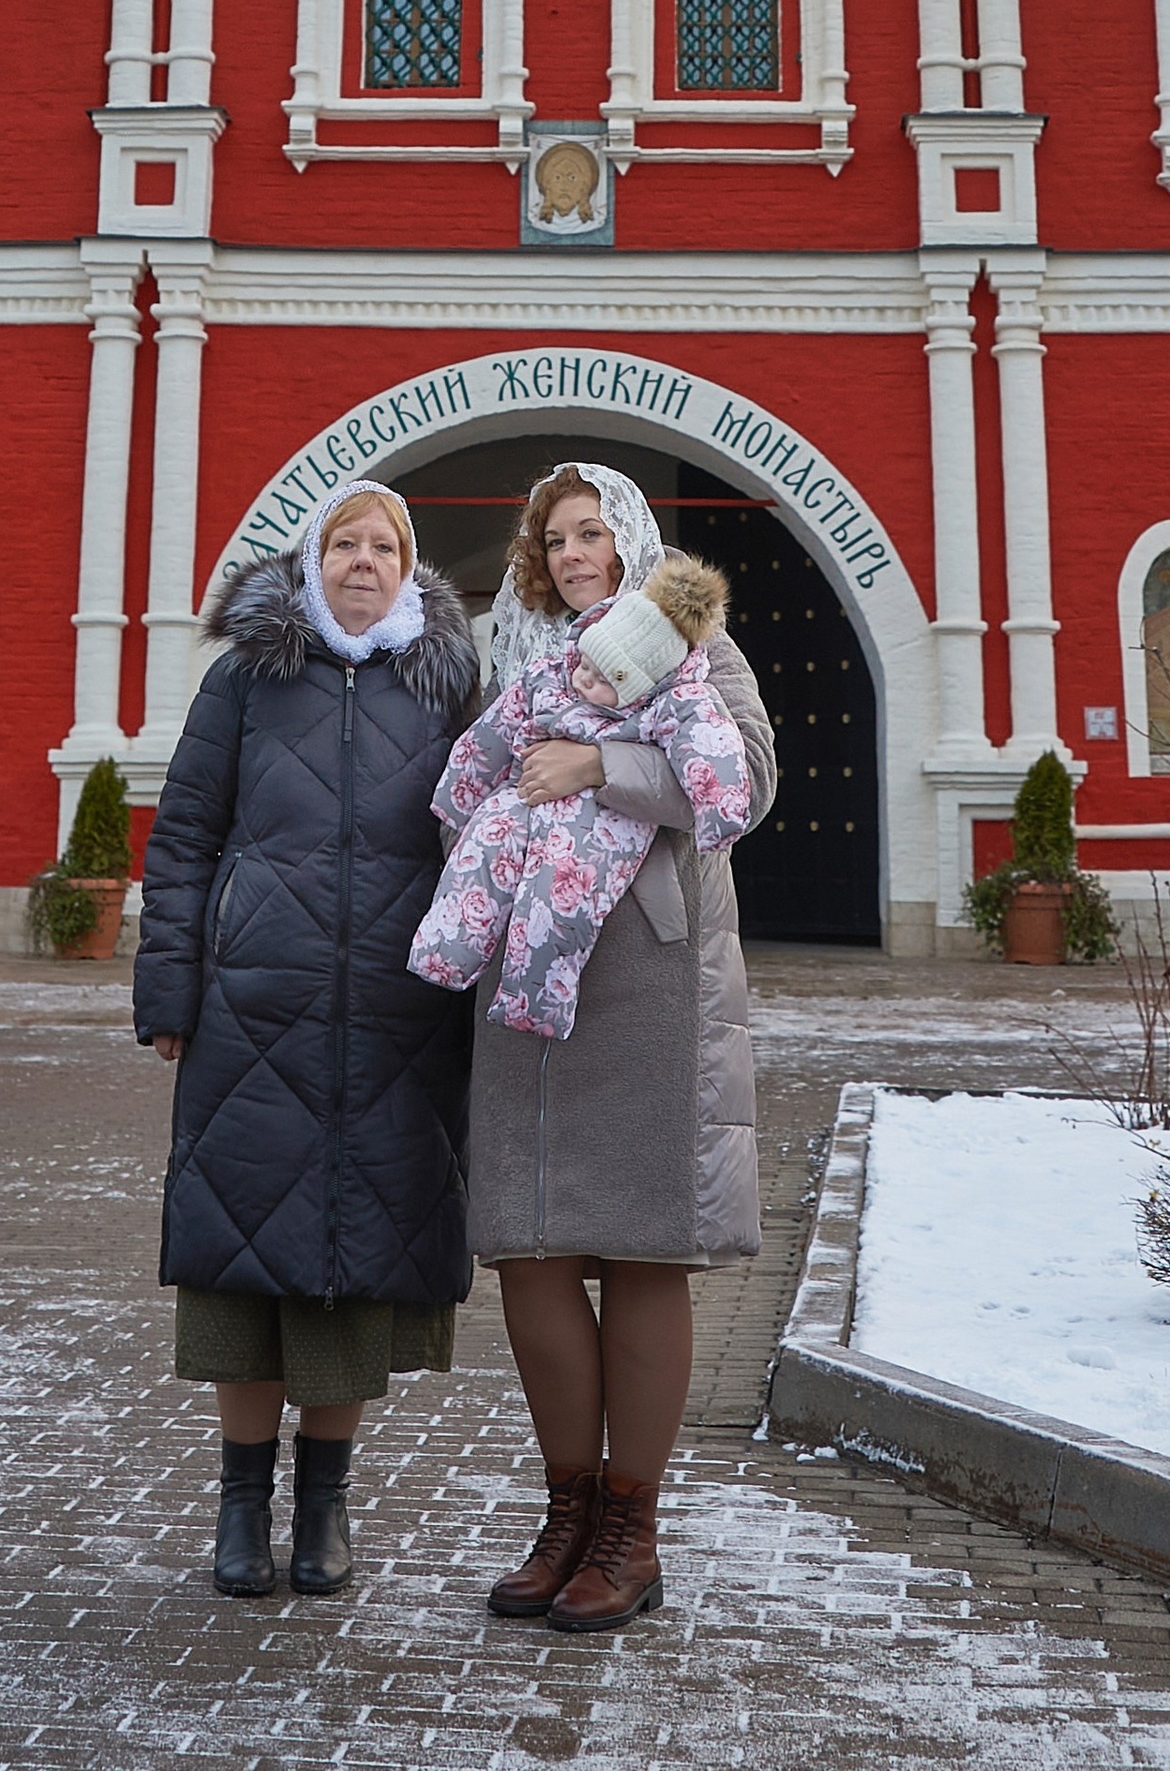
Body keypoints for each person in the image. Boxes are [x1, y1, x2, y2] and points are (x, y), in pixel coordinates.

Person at [132, 482, 481, 1600]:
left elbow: (485, 843)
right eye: (345, 542)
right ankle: (241, 1507)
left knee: (356, 1267)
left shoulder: (447, 689)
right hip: (255, 1007)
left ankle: (324, 1505)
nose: (363, 560)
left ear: (410, 565)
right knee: (244, 1264)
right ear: (312, 558)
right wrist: (171, 991)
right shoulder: (245, 678)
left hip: (398, 1016)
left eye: (384, 545)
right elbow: (183, 836)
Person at [467, 463, 777, 1636]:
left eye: (593, 531)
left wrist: (601, 763)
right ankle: (566, 1514)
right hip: (525, 981)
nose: (574, 552)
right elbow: (476, 785)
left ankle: (630, 1534)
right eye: (554, 538)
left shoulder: (698, 648)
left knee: (645, 1249)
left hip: (648, 975)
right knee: (532, 1248)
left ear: (631, 539)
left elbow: (744, 782)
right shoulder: (517, 660)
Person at [410, 553, 749, 1039]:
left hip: (598, 822)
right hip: (523, 797)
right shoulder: (550, 671)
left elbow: (715, 751)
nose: (584, 679)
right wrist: (461, 795)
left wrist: (719, 814)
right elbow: (492, 732)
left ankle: (536, 1002)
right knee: (482, 848)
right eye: (586, 664)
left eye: (606, 678)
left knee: (560, 900)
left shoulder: (678, 695)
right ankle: (444, 954)